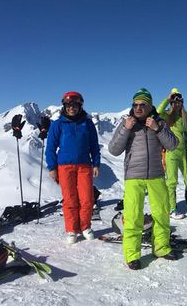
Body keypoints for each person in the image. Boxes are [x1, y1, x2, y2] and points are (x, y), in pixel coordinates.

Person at [108, 88, 178, 270]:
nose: (138, 108)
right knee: (132, 216)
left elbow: (173, 144)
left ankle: (161, 248)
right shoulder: (127, 123)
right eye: (135, 104)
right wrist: (126, 128)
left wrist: (158, 128)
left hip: (156, 174)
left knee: (161, 213)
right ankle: (132, 255)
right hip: (133, 176)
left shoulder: (158, 122)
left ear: (150, 106)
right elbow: (113, 149)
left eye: (142, 104)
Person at [46, 91, 101, 244]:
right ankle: (72, 229)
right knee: (70, 199)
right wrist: (52, 167)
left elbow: (94, 146)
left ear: (80, 106)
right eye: (69, 105)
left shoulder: (87, 123)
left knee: (87, 198)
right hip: (64, 166)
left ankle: (85, 227)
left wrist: (96, 163)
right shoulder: (58, 124)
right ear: (64, 106)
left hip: (84, 165)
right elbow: (50, 147)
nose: (72, 108)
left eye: (75, 105)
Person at [156, 88, 187, 219]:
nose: (177, 104)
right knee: (172, 182)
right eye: (174, 102)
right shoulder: (167, 116)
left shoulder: (183, 118)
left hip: (183, 153)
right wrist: (167, 99)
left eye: (180, 102)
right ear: (172, 103)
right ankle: (172, 209)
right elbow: (158, 111)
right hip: (171, 153)